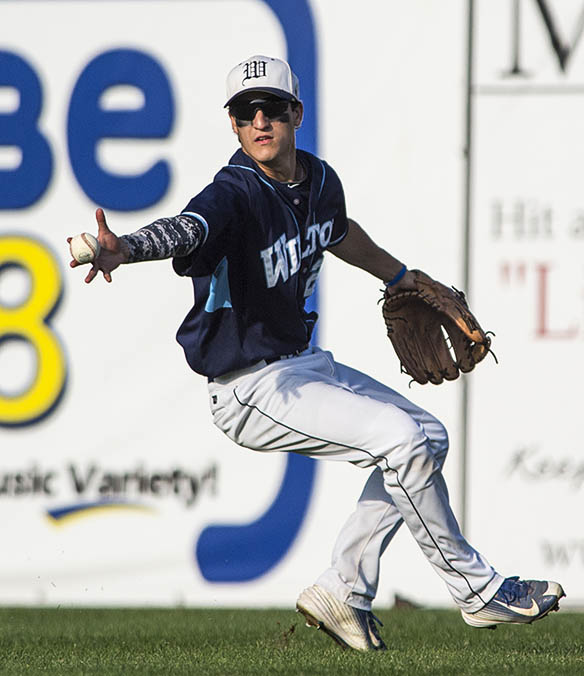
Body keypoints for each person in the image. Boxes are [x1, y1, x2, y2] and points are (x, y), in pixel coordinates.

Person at [69, 55, 565, 652]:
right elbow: (188, 228)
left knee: (427, 437)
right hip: (248, 386)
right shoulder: (233, 193)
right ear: (233, 124)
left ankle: (344, 589)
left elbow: (338, 231)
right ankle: (478, 590)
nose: (259, 121)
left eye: (271, 108)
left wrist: (400, 276)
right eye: (245, 112)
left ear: (296, 114)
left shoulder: (320, 181)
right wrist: (126, 247)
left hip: (301, 363)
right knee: (401, 441)